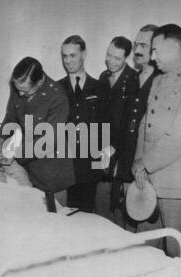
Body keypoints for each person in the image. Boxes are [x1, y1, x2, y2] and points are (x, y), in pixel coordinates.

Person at [133, 24, 181, 257]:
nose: (152, 57)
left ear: (174, 49)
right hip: (148, 179)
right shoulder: (157, 81)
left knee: (176, 251)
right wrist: (138, 164)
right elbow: (145, 125)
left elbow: (178, 138)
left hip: (175, 181)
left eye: (156, 50)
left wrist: (145, 163)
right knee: (146, 247)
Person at [0, 57, 75, 203]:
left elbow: (48, 142)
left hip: (51, 172)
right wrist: (0, 139)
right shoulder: (19, 86)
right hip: (27, 169)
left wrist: (13, 152)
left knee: (54, 220)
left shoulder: (57, 96)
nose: (20, 95)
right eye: (18, 90)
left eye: (25, 91)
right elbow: (11, 116)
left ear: (40, 82)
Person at [114, 25, 164, 239]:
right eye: (136, 45)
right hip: (127, 165)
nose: (137, 50)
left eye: (143, 45)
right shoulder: (131, 79)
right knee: (128, 228)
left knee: (149, 233)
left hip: (149, 168)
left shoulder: (161, 80)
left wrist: (146, 164)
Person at [57, 35, 109, 213]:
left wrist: (104, 162)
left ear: (84, 54)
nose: (68, 61)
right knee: (66, 218)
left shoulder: (100, 88)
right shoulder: (57, 89)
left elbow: (107, 126)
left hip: (90, 167)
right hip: (65, 166)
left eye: (73, 55)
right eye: (65, 56)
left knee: (88, 216)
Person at [97, 37, 140, 223]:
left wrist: (115, 149)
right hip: (101, 147)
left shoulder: (133, 79)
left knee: (118, 205)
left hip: (121, 150)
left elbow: (130, 122)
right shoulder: (103, 77)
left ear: (126, 58)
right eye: (108, 55)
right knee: (100, 202)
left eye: (117, 58)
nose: (111, 61)